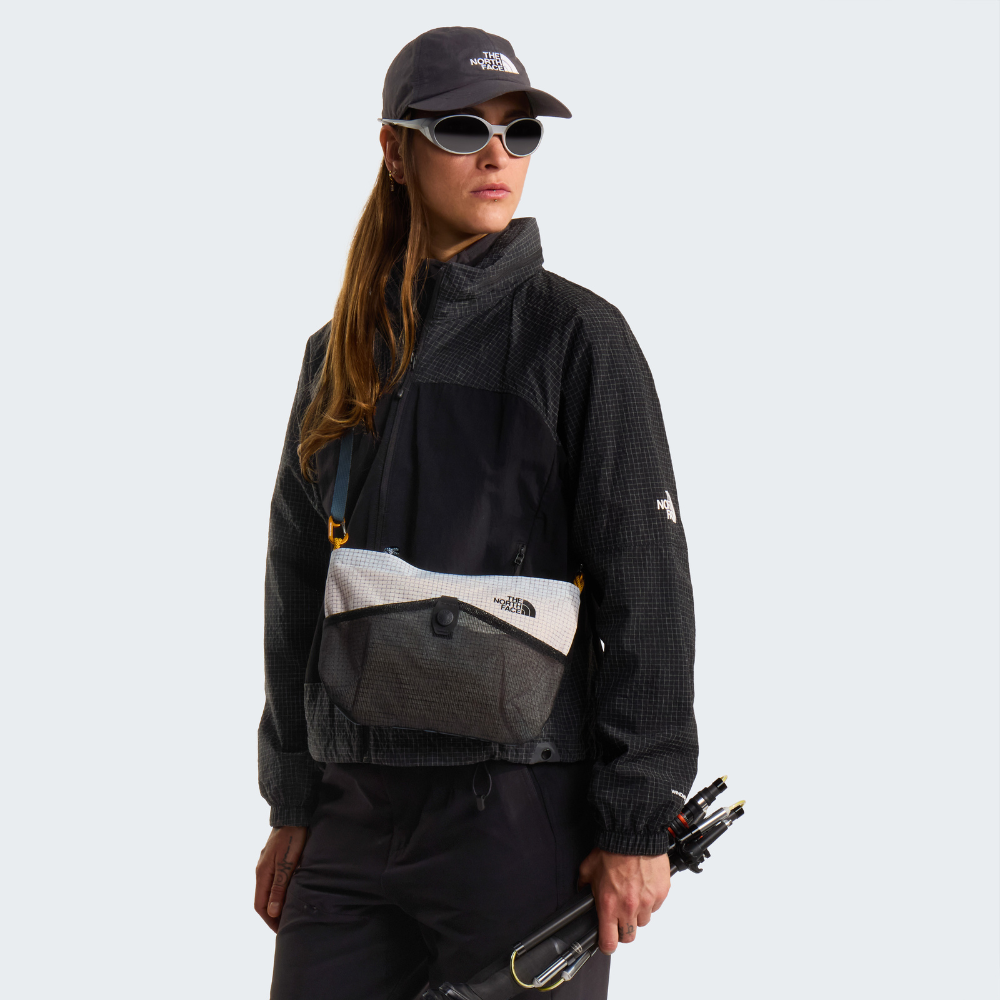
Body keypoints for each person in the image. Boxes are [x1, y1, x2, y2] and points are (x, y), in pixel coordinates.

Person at [255, 26, 698, 1000]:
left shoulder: (577, 339)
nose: (497, 154)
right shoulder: (338, 354)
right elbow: (295, 589)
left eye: (519, 132)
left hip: (520, 810)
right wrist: (292, 799)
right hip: (351, 814)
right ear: (395, 149)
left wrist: (638, 820)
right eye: (461, 129)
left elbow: (647, 591)